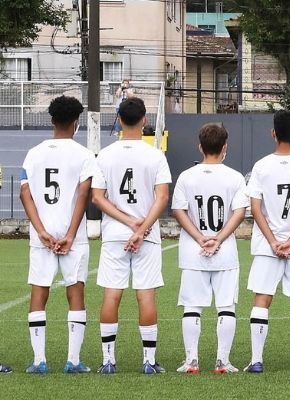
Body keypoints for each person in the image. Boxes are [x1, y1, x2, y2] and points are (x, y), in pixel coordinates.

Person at [91, 97, 171, 374]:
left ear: (119, 120)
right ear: (145, 121)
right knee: (145, 294)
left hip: (114, 234)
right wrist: (141, 227)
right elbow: (162, 197)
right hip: (146, 235)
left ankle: (108, 361)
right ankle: (149, 361)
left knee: (112, 294)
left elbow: (97, 198)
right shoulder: (155, 155)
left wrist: (127, 222)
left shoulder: (105, 154)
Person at [19, 95, 96, 374]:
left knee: (38, 292)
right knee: (75, 292)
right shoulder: (85, 155)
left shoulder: (34, 152)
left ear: (52, 121)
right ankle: (73, 361)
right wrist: (71, 234)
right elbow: (84, 194)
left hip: (42, 238)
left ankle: (39, 361)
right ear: (76, 123)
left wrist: (41, 231)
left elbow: (24, 193)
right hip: (71, 238)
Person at [244, 111, 290, 374]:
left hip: (267, 246)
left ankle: (256, 360)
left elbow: (255, 209)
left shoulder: (261, 166)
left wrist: (274, 242)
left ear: (273, 133)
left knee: (262, 300)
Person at [172, 123, 248, 374]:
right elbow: (239, 212)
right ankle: (222, 362)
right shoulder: (235, 177)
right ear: (225, 147)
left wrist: (199, 238)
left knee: (192, 306)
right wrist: (218, 239)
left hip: (194, 251)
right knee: (226, 306)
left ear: (200, 147)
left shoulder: (186, 176)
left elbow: (178, 210)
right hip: (224, 251)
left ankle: (192, 361)